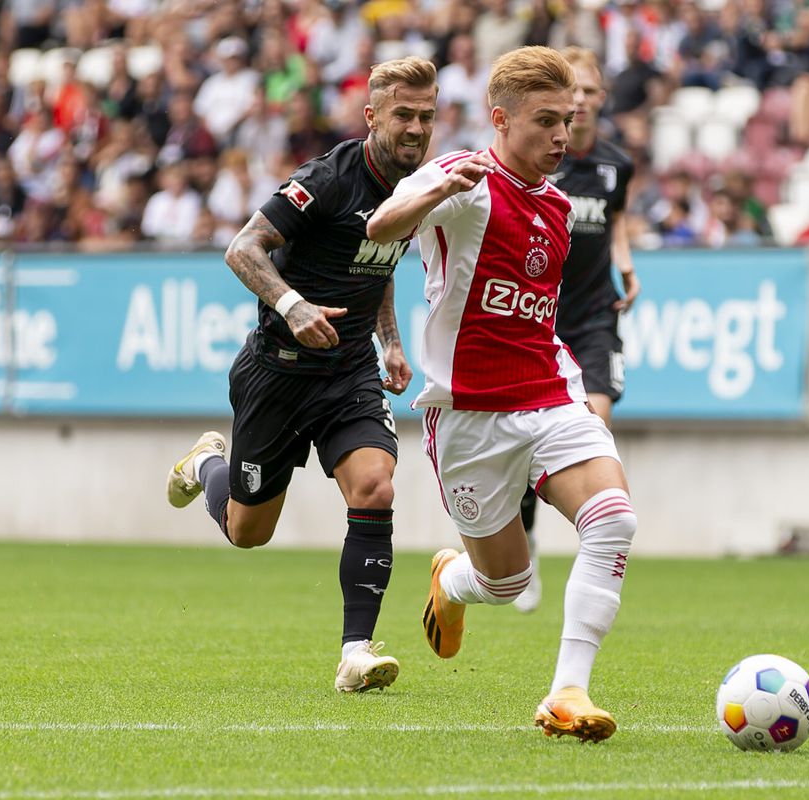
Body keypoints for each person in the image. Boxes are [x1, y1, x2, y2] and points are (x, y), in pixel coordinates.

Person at [367, 45, 637, 743]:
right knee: (506, 583)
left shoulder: (555, 203)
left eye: (568, 120)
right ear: (500, 119)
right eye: (545, 121)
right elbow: (381, 225)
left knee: (612, 518)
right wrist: (437, 191)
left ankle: (567, 693)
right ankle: (453, 580)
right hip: (468, 417)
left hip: (548, 392)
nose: (562, 136)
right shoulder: (464, 181)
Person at [164, 56, 437, 694]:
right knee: (247, 532)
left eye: (426, 116)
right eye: (404, 114)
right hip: (278, 375)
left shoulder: (416, 186)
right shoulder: (327, 179)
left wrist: (390, 342)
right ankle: (208, 463)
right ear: (372, 116)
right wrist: (292, 305)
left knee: (375, 486)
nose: (417, 128)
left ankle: (356, 652)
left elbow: (378, 262)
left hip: (348, 374)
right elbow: (243, 248)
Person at [513, 46, 639, 615]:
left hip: (594, 316)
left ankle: (594, 541)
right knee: (529, 444)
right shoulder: (542, 161)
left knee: (596, 419)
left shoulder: (617, 165)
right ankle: (527, 539)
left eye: (589, 92)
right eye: (574, 94)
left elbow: (615, 222)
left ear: (600, 99)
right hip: (541, 320)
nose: (581, 102)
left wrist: (626, 262)